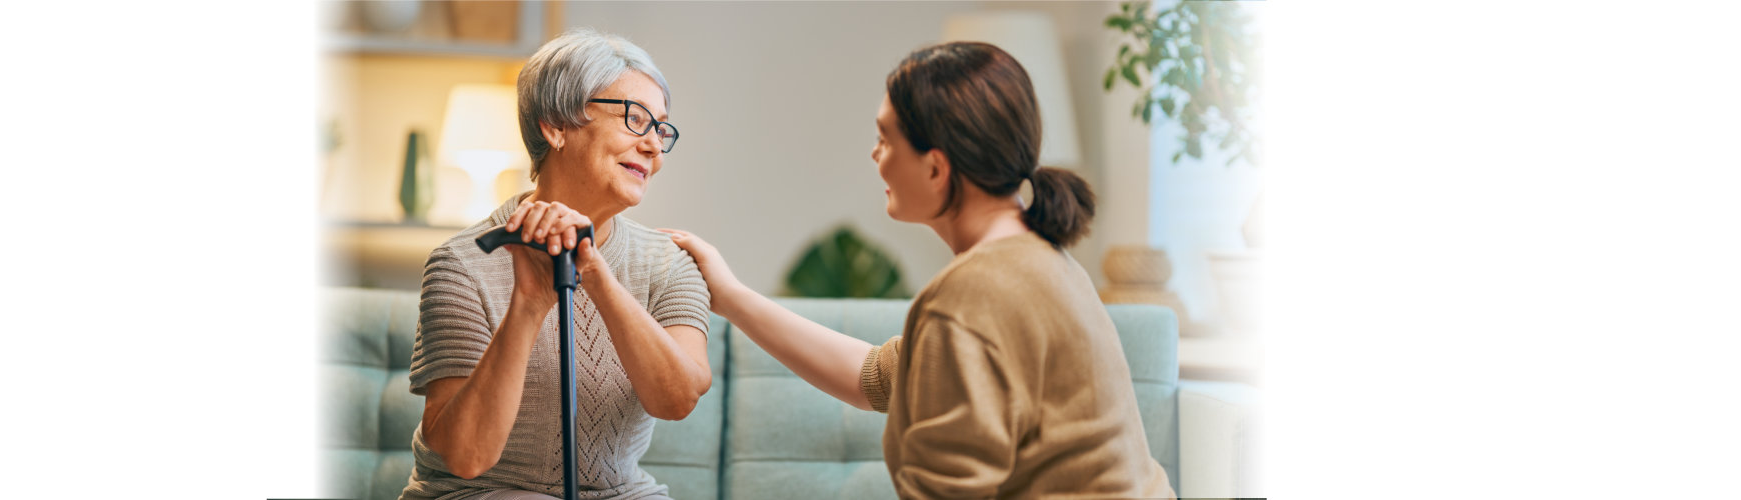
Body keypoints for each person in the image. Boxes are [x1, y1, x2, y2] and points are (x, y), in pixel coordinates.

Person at [659, 41, 1175, 498]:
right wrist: (727, 295)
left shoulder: (974, 292)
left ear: (934, 166)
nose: (875, 155)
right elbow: (877, 378)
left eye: (886, 138)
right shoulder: (1040, 260)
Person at [401, 28, 710, 500]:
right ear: (555, 125)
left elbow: (678, 399)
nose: (652, 146)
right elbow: (466, 458)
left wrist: (594, 272)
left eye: (660, 128)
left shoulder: (669, 264)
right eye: (635, 119)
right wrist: (528, 303)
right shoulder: (461, 264)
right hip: (483, 492)